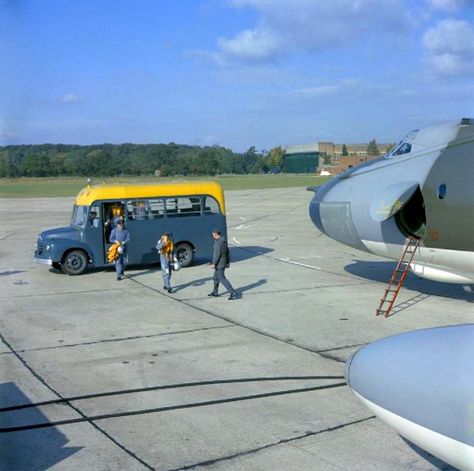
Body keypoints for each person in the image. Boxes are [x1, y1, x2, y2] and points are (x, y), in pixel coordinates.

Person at [208, 229, 238, 300]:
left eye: (213, 234)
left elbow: (217, 255)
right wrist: (227, 262)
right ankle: (215, 292)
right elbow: (227, 252)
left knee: (222, 278)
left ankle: (232, 292)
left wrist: (214, 264)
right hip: (223, 262)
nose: (212, 235)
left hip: (219, 264)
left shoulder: (218, 243)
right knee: (215, 278)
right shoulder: (223, 241)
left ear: (215, 234)